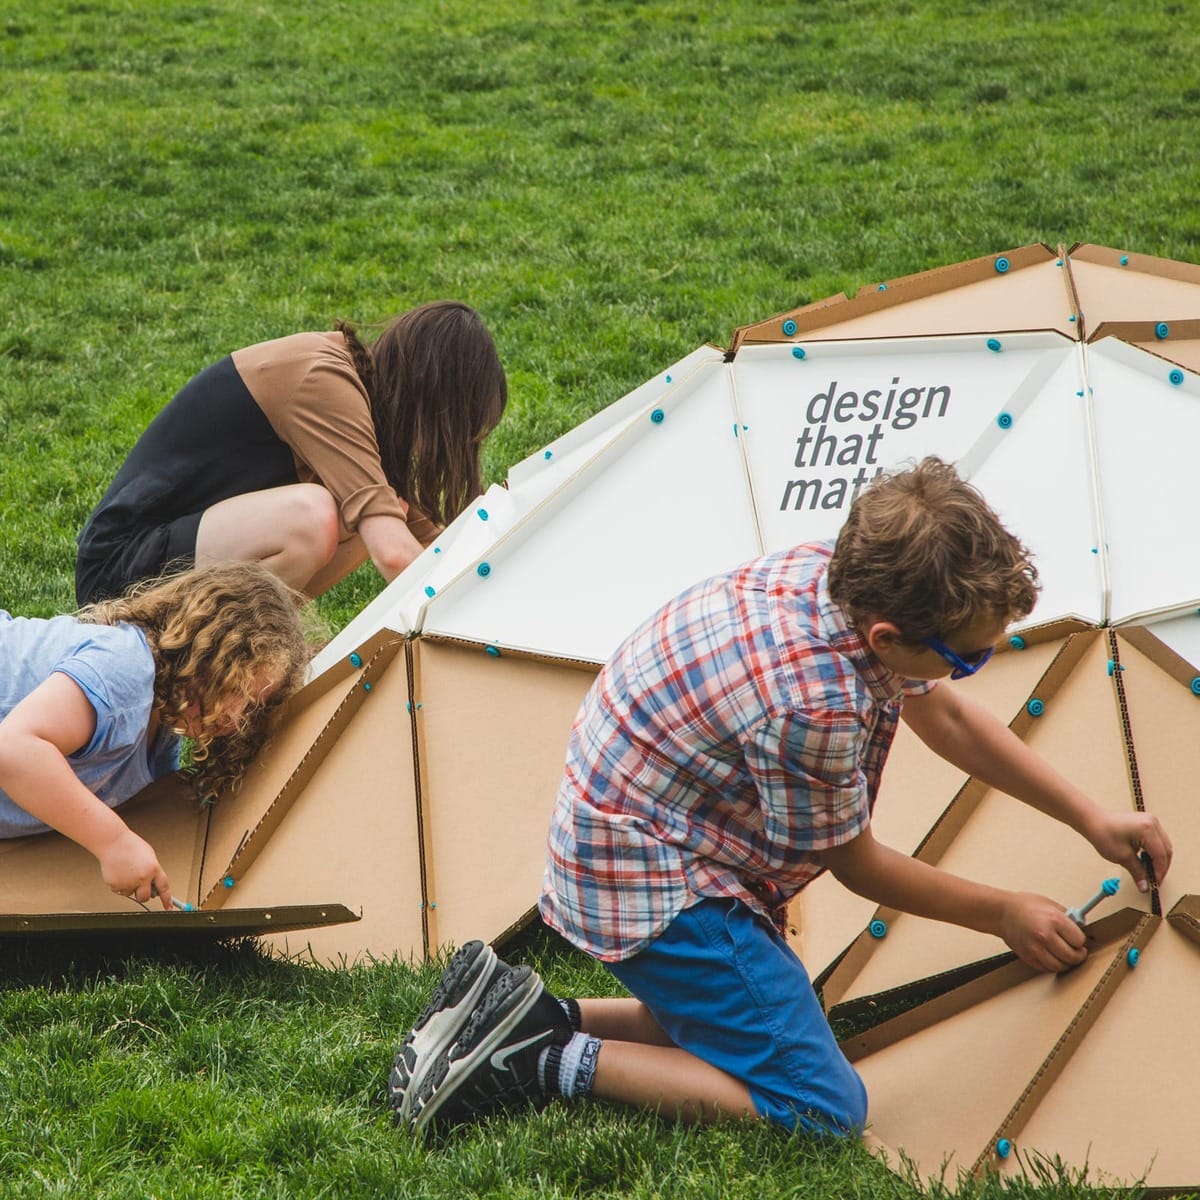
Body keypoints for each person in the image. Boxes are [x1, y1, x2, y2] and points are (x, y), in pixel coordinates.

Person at [386, 457, 1173, 1137]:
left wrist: (1090, 815)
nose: (972, 671)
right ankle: (548, 1060)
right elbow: (857, 865)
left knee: (746, 1023)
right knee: (820, 1103)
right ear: (887, 639)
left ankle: (523, 1014)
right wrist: (1003, 912)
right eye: (965, 659)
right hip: (652, 879)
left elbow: (952, 722)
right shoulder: (814, 700)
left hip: (644, 827)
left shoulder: (836, 576)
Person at [75, 301, 508, 605]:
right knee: (318, 516)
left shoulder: (362, 401)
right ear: (433, 404)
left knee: (382, 509)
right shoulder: (323, 379)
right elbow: (395, 554)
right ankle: (226, 659)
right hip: (120, 572)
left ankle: (249, 649)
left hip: (173, 561)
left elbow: (432, 544)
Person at [0, 561, 314, 909]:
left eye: (255, 707)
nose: (239, 717)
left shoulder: (159, 743)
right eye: (239, 689)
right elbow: (15, 749)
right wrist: (113, 842)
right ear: (207, 653)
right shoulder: (127, 668)